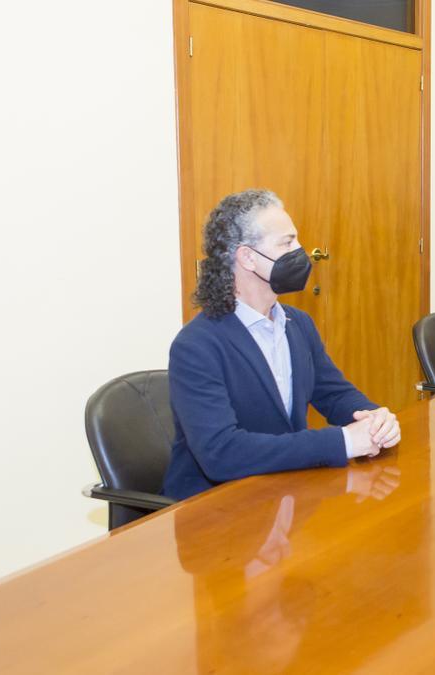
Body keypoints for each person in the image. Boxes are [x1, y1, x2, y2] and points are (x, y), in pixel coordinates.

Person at [163, 189, 400, 500]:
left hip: (284, 492)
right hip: (218, 508)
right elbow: (222, 453)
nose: (300, 251)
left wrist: (373, 418)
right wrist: (342, 441)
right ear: (247, 257)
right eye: (287, 243)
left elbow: (334, 393)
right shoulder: (196, 346)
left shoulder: (297, 323)